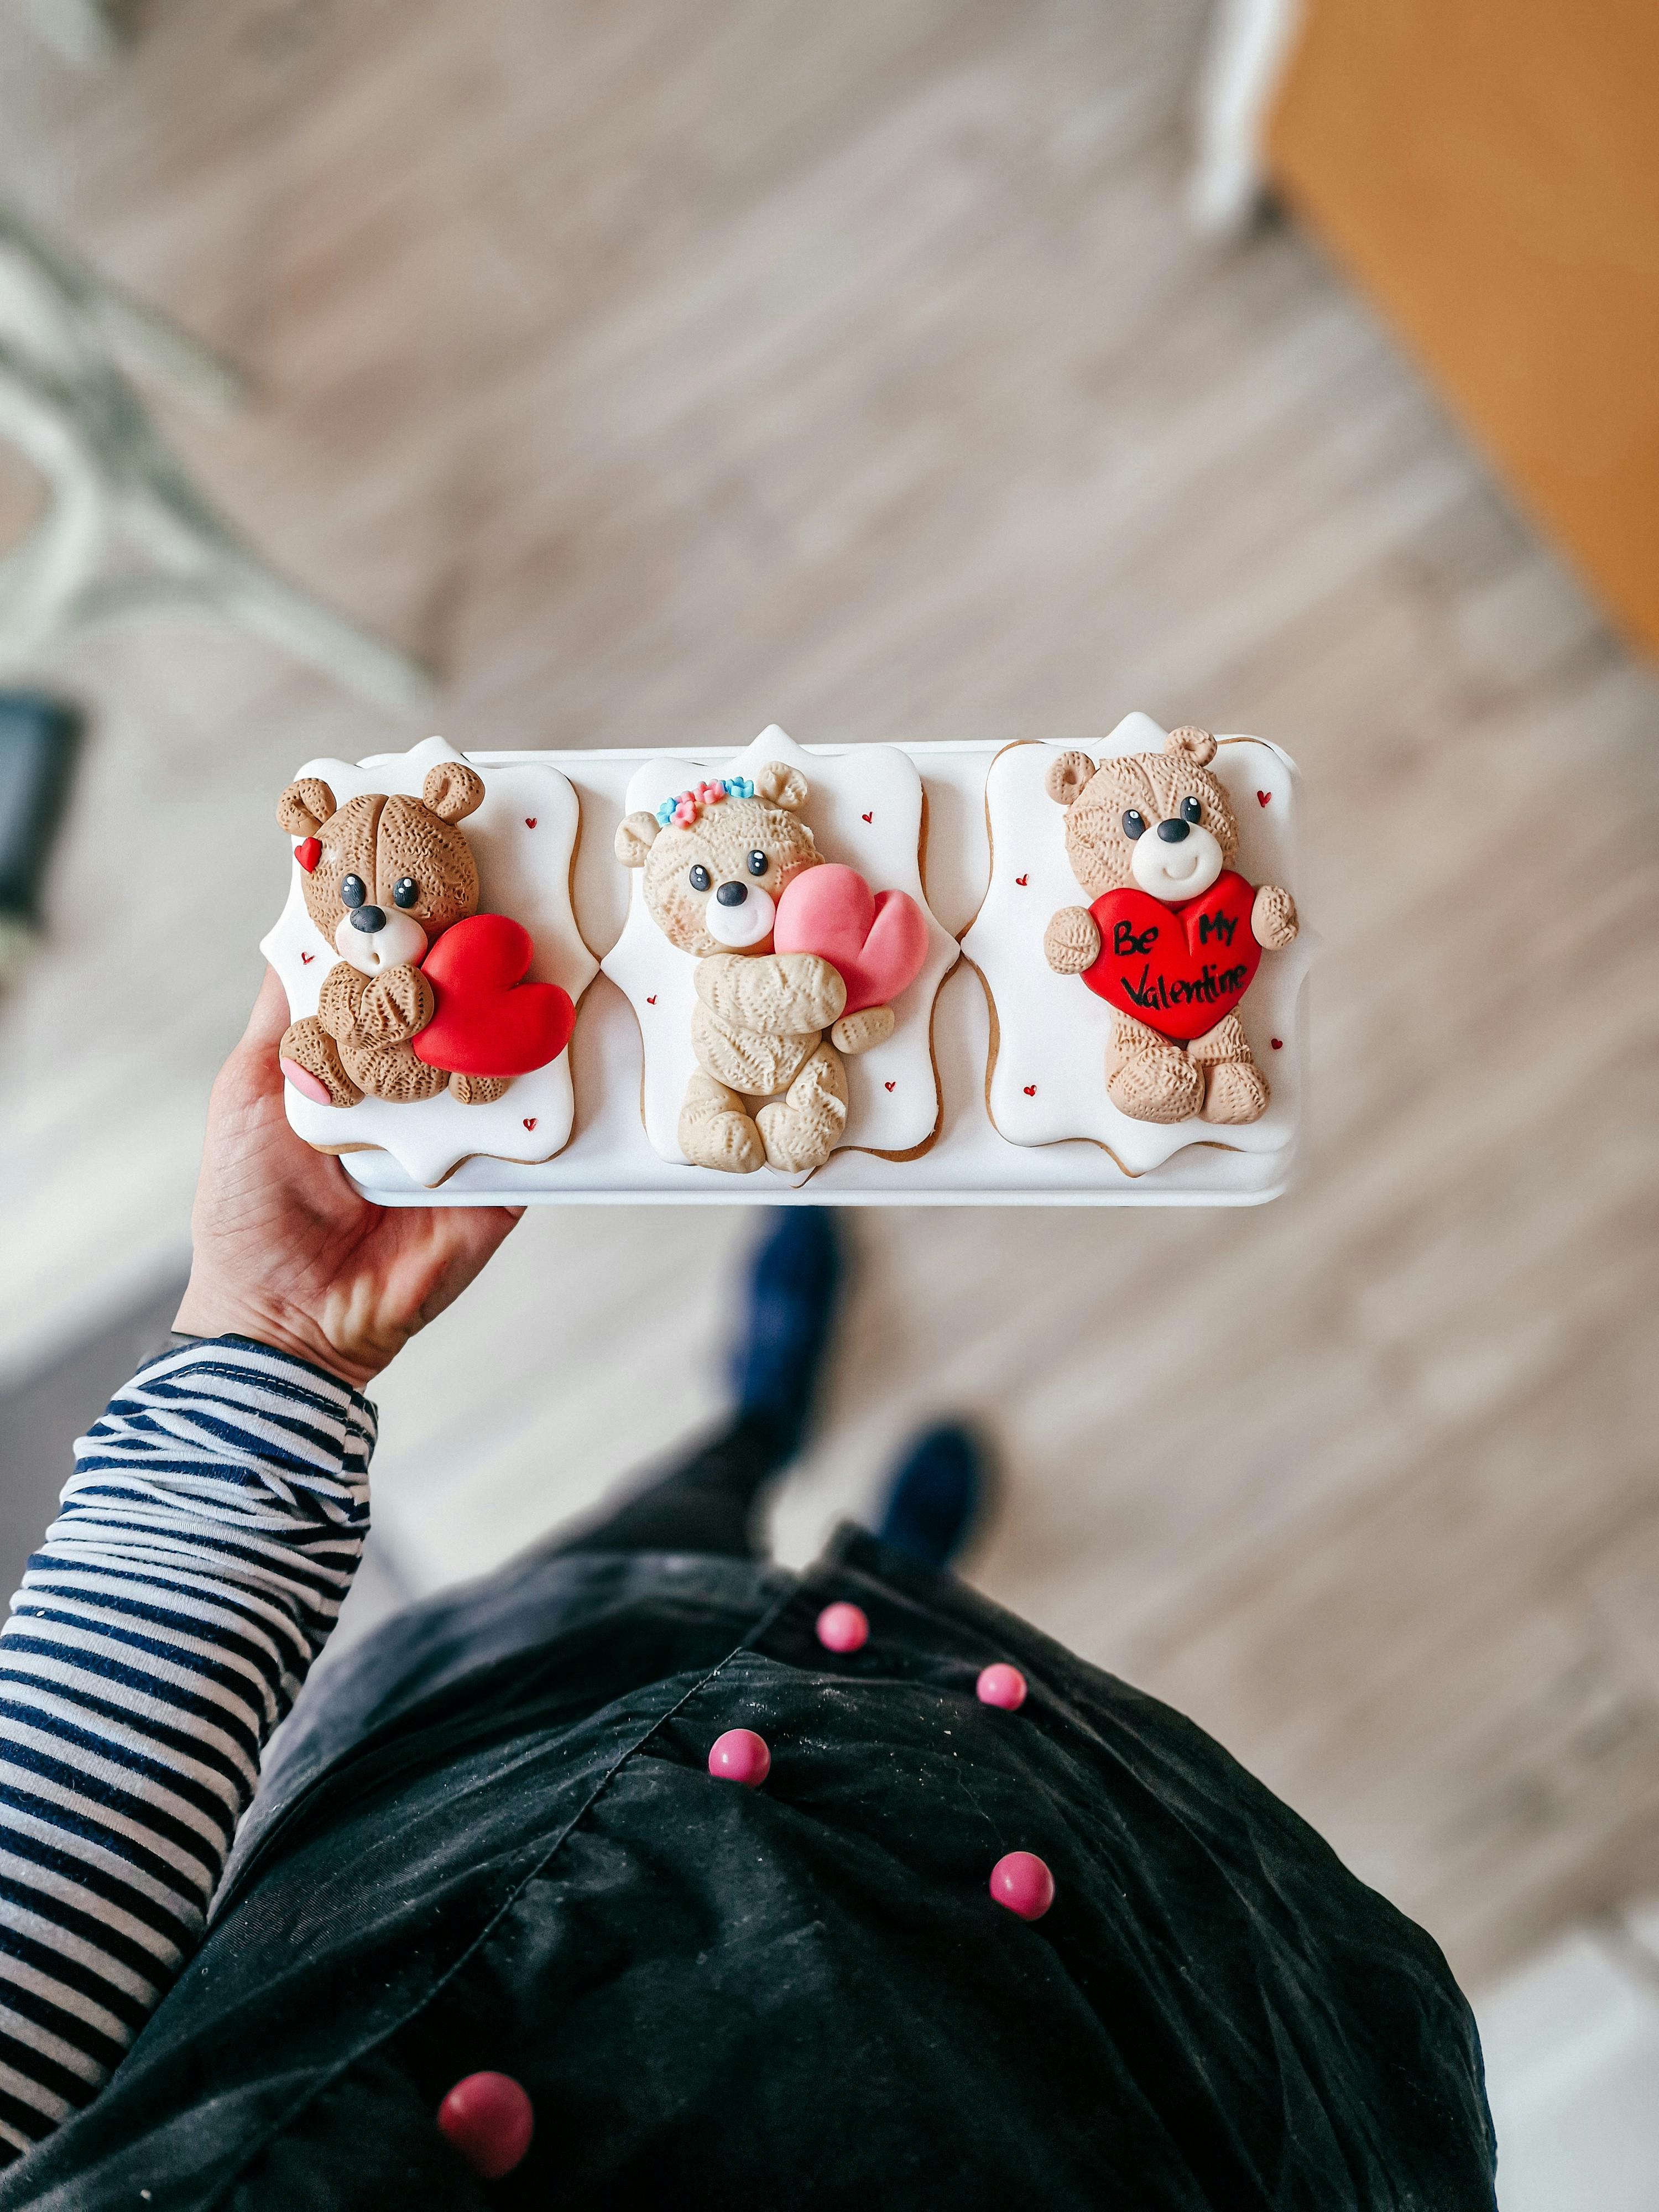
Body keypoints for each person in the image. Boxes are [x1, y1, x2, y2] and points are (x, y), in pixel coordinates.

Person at [0, 972, 1498, 2209]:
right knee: (903, 1685)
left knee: (668, 1546)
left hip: (499, 1783)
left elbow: (27, 1946)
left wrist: (272, 1340)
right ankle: (895, 1567)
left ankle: (757, 1435)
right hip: (1019, 2042)